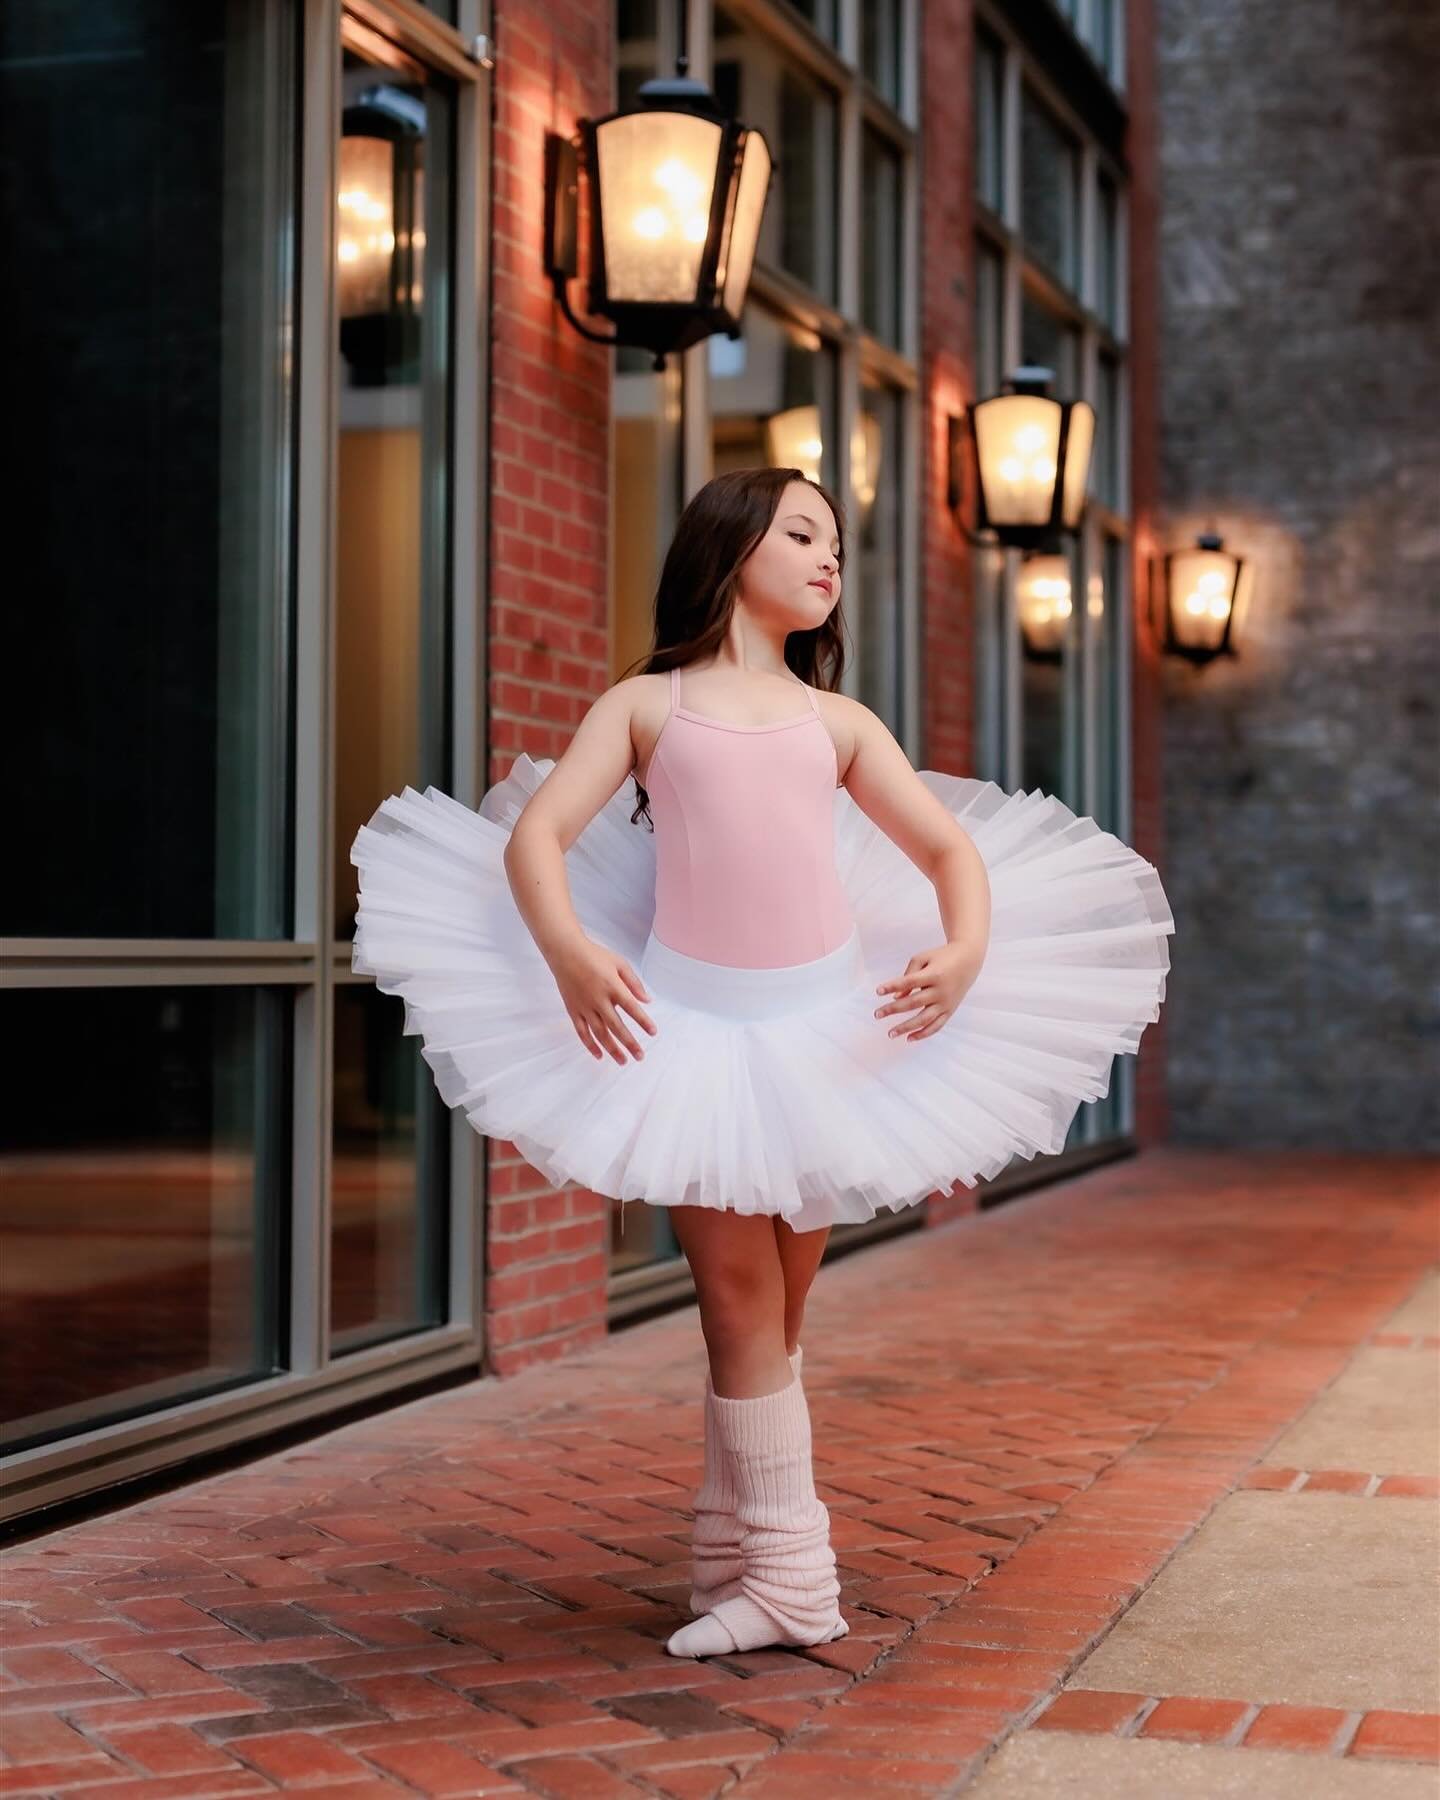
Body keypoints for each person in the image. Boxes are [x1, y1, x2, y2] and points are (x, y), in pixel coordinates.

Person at [350, 465, 1175, 1659]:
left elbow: (950, 851)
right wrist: (575, 957)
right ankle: (789, 1578)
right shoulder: (649, 705)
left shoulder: (839, 724)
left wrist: (965, 952)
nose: (830, 560)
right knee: (741, 1307)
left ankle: (739, 1561)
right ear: (733, 550)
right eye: (803, 535)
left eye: (836, 545)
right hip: (698, 1034)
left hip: (831, 1033)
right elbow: (535, 834)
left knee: (773, 1320)